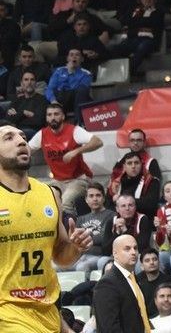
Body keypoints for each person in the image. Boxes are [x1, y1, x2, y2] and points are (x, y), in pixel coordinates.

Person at [0, 123, 94, 330]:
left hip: (47, 310)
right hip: (6, 311)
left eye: (23, 136)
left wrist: (76, 248)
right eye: (9, 138)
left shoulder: (49, 194)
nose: (21, 141)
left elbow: (60, 256)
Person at [28, 101, 102, 214]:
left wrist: (76, 151)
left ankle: (69, 231)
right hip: (57, 181)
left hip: (78, 179)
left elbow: (97, 141)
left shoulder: (73, 131)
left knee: (65, 202)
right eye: (49, 115)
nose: (53, 117)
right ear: (46, 118)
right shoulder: (42, 134)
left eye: (56, 114)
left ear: (63, 116)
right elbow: (27, 150)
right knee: (40, 199)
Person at [93, 234, 153, 333]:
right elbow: (109, 328)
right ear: (115, 253)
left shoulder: (134, 279)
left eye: (135, 248)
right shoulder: (106, 283)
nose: (133, 252)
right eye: (127, 249)